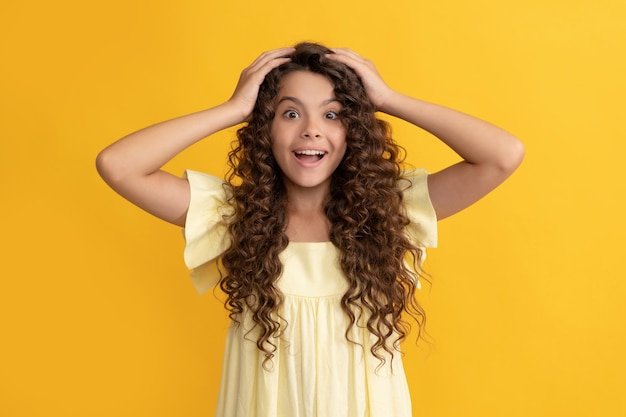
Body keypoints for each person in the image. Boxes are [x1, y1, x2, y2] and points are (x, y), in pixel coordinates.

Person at [96, 42, 524, 417]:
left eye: (334, 114)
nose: (311, 129)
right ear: (265, 126)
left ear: (354, 128)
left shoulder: (390, 211)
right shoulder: (233, 217)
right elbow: (119, 165)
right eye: (290, 113)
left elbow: (502, 155)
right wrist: (232, 109)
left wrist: (389, 99)